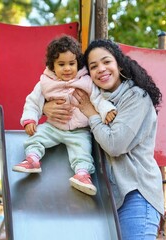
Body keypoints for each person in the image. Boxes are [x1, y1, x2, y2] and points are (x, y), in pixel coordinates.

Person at [44, 39, 165, 239]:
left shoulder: (136, 98)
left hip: (135, 194)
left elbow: (115, 144)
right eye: (93, 66)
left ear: (119, 63)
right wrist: (45, 108)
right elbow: (60, 108)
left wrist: (92, 114)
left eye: (106, 62)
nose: (101, 69)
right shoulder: (92, 98)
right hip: (104, 198)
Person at [12, 36, 117, 196]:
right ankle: (32, 159)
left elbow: (97, 98)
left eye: (71, 64)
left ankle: (82, 174)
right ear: (52, 66)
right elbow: (33, 102)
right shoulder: (45, 83)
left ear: (78, 63)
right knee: (37, 136)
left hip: (79, 130)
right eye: (61, 64)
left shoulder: (86, 81)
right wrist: (30, 119)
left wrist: (106, 110)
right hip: (54, 126)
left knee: (82, 150)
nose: (67, 68)